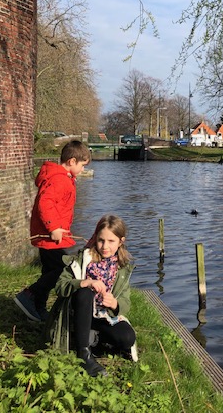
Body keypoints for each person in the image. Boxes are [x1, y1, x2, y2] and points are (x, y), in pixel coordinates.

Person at [45, 214, 137, 377]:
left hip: (103, 315)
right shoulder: (83, 259)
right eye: (101, 240)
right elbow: (60, 286)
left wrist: (115, 304)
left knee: (127, 338)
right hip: (78, 311)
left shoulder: (122, 267)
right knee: (85, 293)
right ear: (95, 237)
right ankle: (84, 354)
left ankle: (92, 339)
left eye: (111, 241)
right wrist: (84, 282)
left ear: (121, 241)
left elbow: (126, 301)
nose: (104, 246)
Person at [14, 140, 91, 323]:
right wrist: (53, 227)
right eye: (82, 165)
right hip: (50, 236)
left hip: (52, 235)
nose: (83, 170)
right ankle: (30, 294)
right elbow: (45, 203)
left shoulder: (63, 178)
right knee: (63, 269)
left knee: (49, 270)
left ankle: (38, 307)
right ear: (72, 161)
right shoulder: (59, 179)